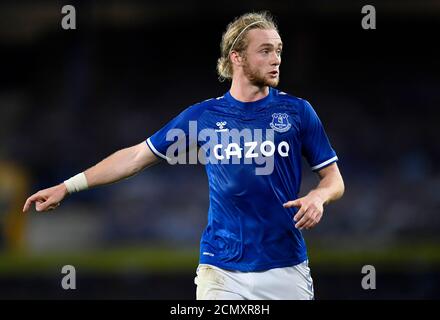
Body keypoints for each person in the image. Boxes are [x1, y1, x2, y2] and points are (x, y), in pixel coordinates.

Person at [23, 11, 344, 300]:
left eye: (278, 50)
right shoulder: (203, 116)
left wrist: (318, 196)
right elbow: (136, 157)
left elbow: (334, 180)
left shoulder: (298, 112)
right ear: (237, 57)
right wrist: (68, 186)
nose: (276, 59)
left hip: (285, 266)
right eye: (265, 51)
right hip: (222, 270)